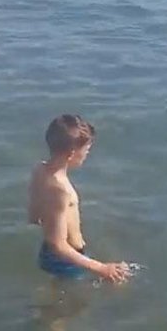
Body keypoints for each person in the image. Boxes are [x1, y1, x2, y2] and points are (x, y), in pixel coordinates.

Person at [28, 115, 131, 284]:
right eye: (86, 150)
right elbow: (58, 245)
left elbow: (33, 216)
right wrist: (101, 268)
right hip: (66, 260)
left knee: (56, 289)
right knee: (74, 299)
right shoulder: (61, 191)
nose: (87, 155)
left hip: (48, 255)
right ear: (72, 154)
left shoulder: (40, 170)